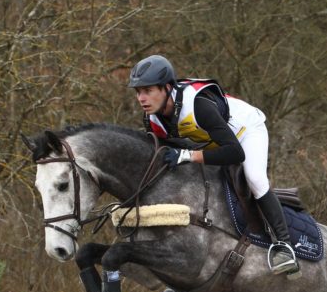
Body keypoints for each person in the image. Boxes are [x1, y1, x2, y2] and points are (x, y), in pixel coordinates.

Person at [128, 54, 299, 277]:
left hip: (246, 132)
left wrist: (188, 155)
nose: (141, 98)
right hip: (212, 141)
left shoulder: (198, 105)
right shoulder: (153, 119)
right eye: (138, 92)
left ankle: (285, 246)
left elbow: (235, 152)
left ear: (167, 87)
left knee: (255, 178)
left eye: (147, 91)